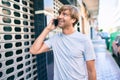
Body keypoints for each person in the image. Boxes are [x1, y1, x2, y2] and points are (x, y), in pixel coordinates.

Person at [30, 5, 96, 80]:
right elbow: (33, 50)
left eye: (64, 14)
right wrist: (47, 29)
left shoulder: (84, 40)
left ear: (73, 20)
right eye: (59, 13)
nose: (59, 16)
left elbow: (91, 71)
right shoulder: (54, 39)